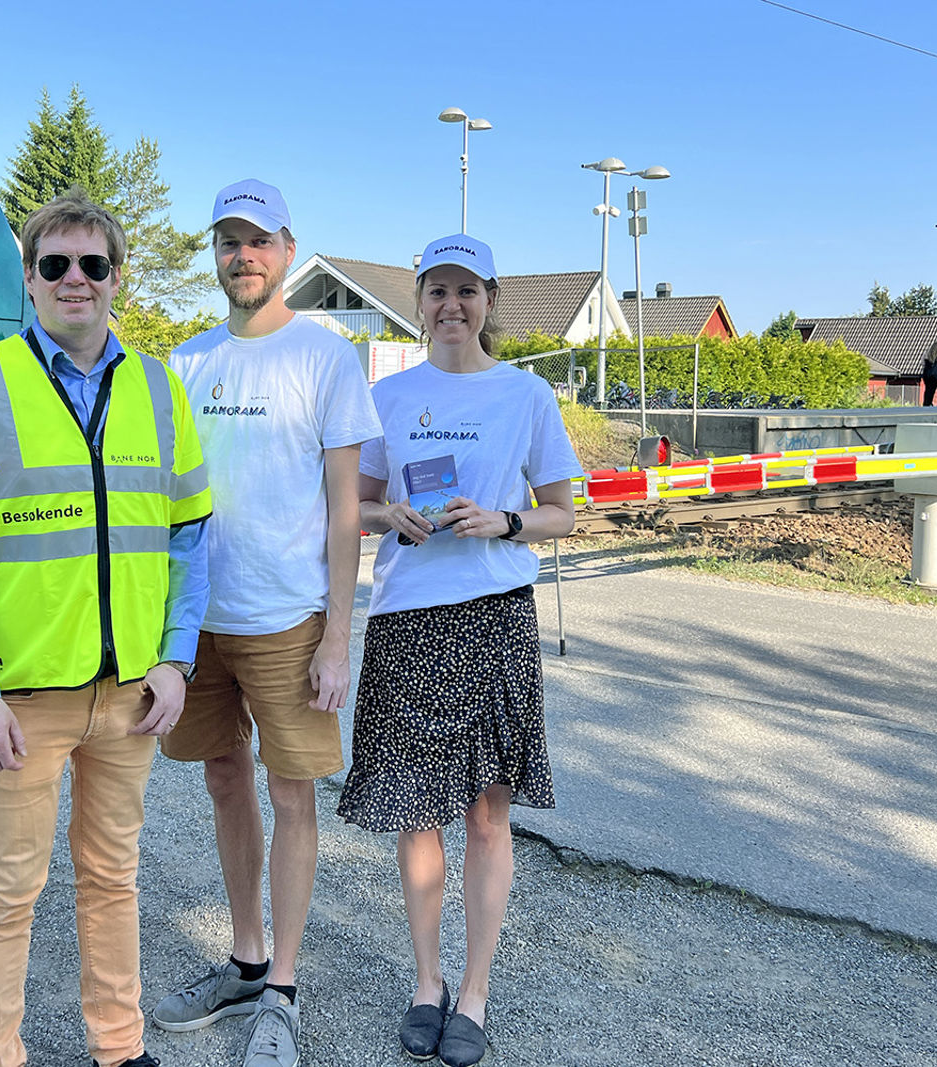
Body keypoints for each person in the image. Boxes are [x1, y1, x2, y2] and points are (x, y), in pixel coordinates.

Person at [0, 189, 211, 1067]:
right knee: (9, 890)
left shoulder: (159, 388)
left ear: (116, 279)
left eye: (94, 264)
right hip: (21, 699)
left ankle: (119, 1045)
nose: (76, 278)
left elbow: (190, 540)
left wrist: (178, 660)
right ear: (30, 280)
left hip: (131, 694)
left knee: (113, 878)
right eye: (55, 263)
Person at [338, 235, 581, 1067]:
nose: (451, 305)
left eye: (466, 290)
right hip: (409, 621)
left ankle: (474, 990)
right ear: (419, 301)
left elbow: (562, 511)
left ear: (489, 300)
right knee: (416, 812)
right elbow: (354, 505)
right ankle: (427, 981)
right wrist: (389, 516)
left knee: (486, 813)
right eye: (437, 290)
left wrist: (504, 520)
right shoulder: (388, 395)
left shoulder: (527, 395)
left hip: (494, 617)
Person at [153, 179, 380, 1067]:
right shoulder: (186, 361)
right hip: (199, 617)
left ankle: (282, 987)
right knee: (222, 777)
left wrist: (338, 636)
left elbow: (344, 510)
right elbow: (165, 497)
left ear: (286, 248)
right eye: (227, 241)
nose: (241, 256)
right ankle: (246, 959)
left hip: (289, 617)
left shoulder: (325, 358)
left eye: (257, 241)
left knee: (291, 793)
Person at [922, 339, 937, 407]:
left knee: (927, 389)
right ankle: (929, 403)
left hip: (927, 375)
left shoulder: (926, 355)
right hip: (935, 376)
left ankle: (926, 403)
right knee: (932, 390)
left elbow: (923, 364)